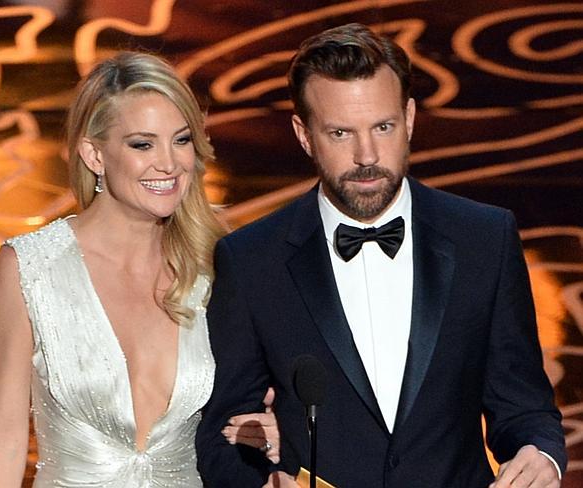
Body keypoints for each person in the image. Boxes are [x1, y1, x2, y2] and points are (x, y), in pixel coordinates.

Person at [196, 23, 567, 487]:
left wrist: (541, 456)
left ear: (409, 118)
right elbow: (223, 433)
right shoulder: (252, 260)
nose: (367, 154)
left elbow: (524, 405)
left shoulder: (485, 238)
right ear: (304, 134)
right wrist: (261, 482)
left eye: (383, 127)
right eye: (340, 133)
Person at [0, 51, 279, 487]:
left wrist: (276, 429)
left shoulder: (214, 268)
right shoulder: (29, 269)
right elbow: (3, 436)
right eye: (142, 144)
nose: (169, 163)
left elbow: (254, 411)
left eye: (182, 139)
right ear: (94, 155)